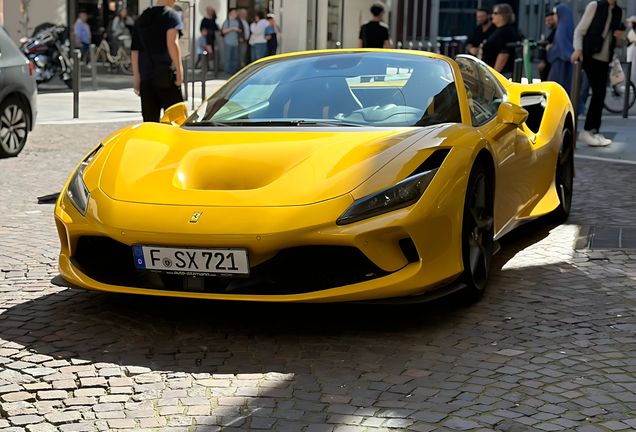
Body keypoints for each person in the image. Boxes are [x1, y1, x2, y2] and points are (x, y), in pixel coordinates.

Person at [572, 0, 625, 146]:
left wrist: (622, 37)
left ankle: (593, 131)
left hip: (605, 59)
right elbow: (579, 31)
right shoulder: (594, 6)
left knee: (600, 95)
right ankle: (587, 131)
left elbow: (617, 40)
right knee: (598, 93)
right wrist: (578, 49)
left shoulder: (618, 11)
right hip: (590, 56)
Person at [131, 0, 184, 122]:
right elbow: (172, 43)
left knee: (150, 124)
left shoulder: (142, 18)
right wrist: (179, 71)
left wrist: (137, 79)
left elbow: (135, 51)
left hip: (146, 78)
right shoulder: (172, 15)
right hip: (166, 76)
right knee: (177, 122)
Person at [480, 4, 518, 75]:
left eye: (495, 13)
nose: (492, 16)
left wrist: (495, 75)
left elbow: (504, 54)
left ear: (503, 15)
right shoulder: (499, 30)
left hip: (501, 74)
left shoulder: (505, 31)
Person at [547, 5, 575, 95]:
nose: (554, 16)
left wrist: (551, 48)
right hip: (569, 64)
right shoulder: (569, 26)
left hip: (559, 65)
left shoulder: (561, 29)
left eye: (555, 13)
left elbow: (561, 49)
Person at [221, 8, 242, 77]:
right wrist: (232, 28)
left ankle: (233, 72)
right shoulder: (227, 21)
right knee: (228, 58)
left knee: (235, 58)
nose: (236, 14)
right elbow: (223, 31)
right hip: (228, 42)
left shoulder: (237, 22)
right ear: (230, 13)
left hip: (235, 43)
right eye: (234, 12)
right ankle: (227, 72)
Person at [538, 12, 557, 81]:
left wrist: (545, 62)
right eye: (546, 20)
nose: (547, 22)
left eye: (550, 20)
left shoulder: (557, 32)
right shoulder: (553, 32)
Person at [628, 16, 636, 85]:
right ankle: (630, 83)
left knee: (633, 67)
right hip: (630, 49)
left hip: (633, 50)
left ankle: (632, 83)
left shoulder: (634, 30)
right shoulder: (632, 30)